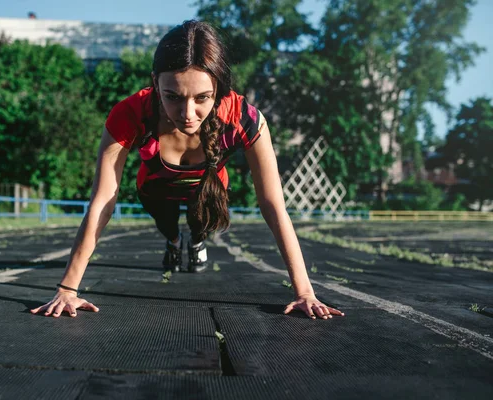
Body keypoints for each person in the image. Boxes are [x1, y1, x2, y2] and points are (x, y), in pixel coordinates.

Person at [30, 20, 344, 321]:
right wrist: (67, 289)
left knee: (200, 225)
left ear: (218, 88)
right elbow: (103, 200)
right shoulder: (130, 113)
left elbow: (273, 204)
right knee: (168, 226)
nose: (187, 114)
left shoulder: (245, 119)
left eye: (202, 98)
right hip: (155, 189)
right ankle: (174, 242)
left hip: (207, 190)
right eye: (173, 97)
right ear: (155, 83)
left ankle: (195, 240)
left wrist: (304, 291)